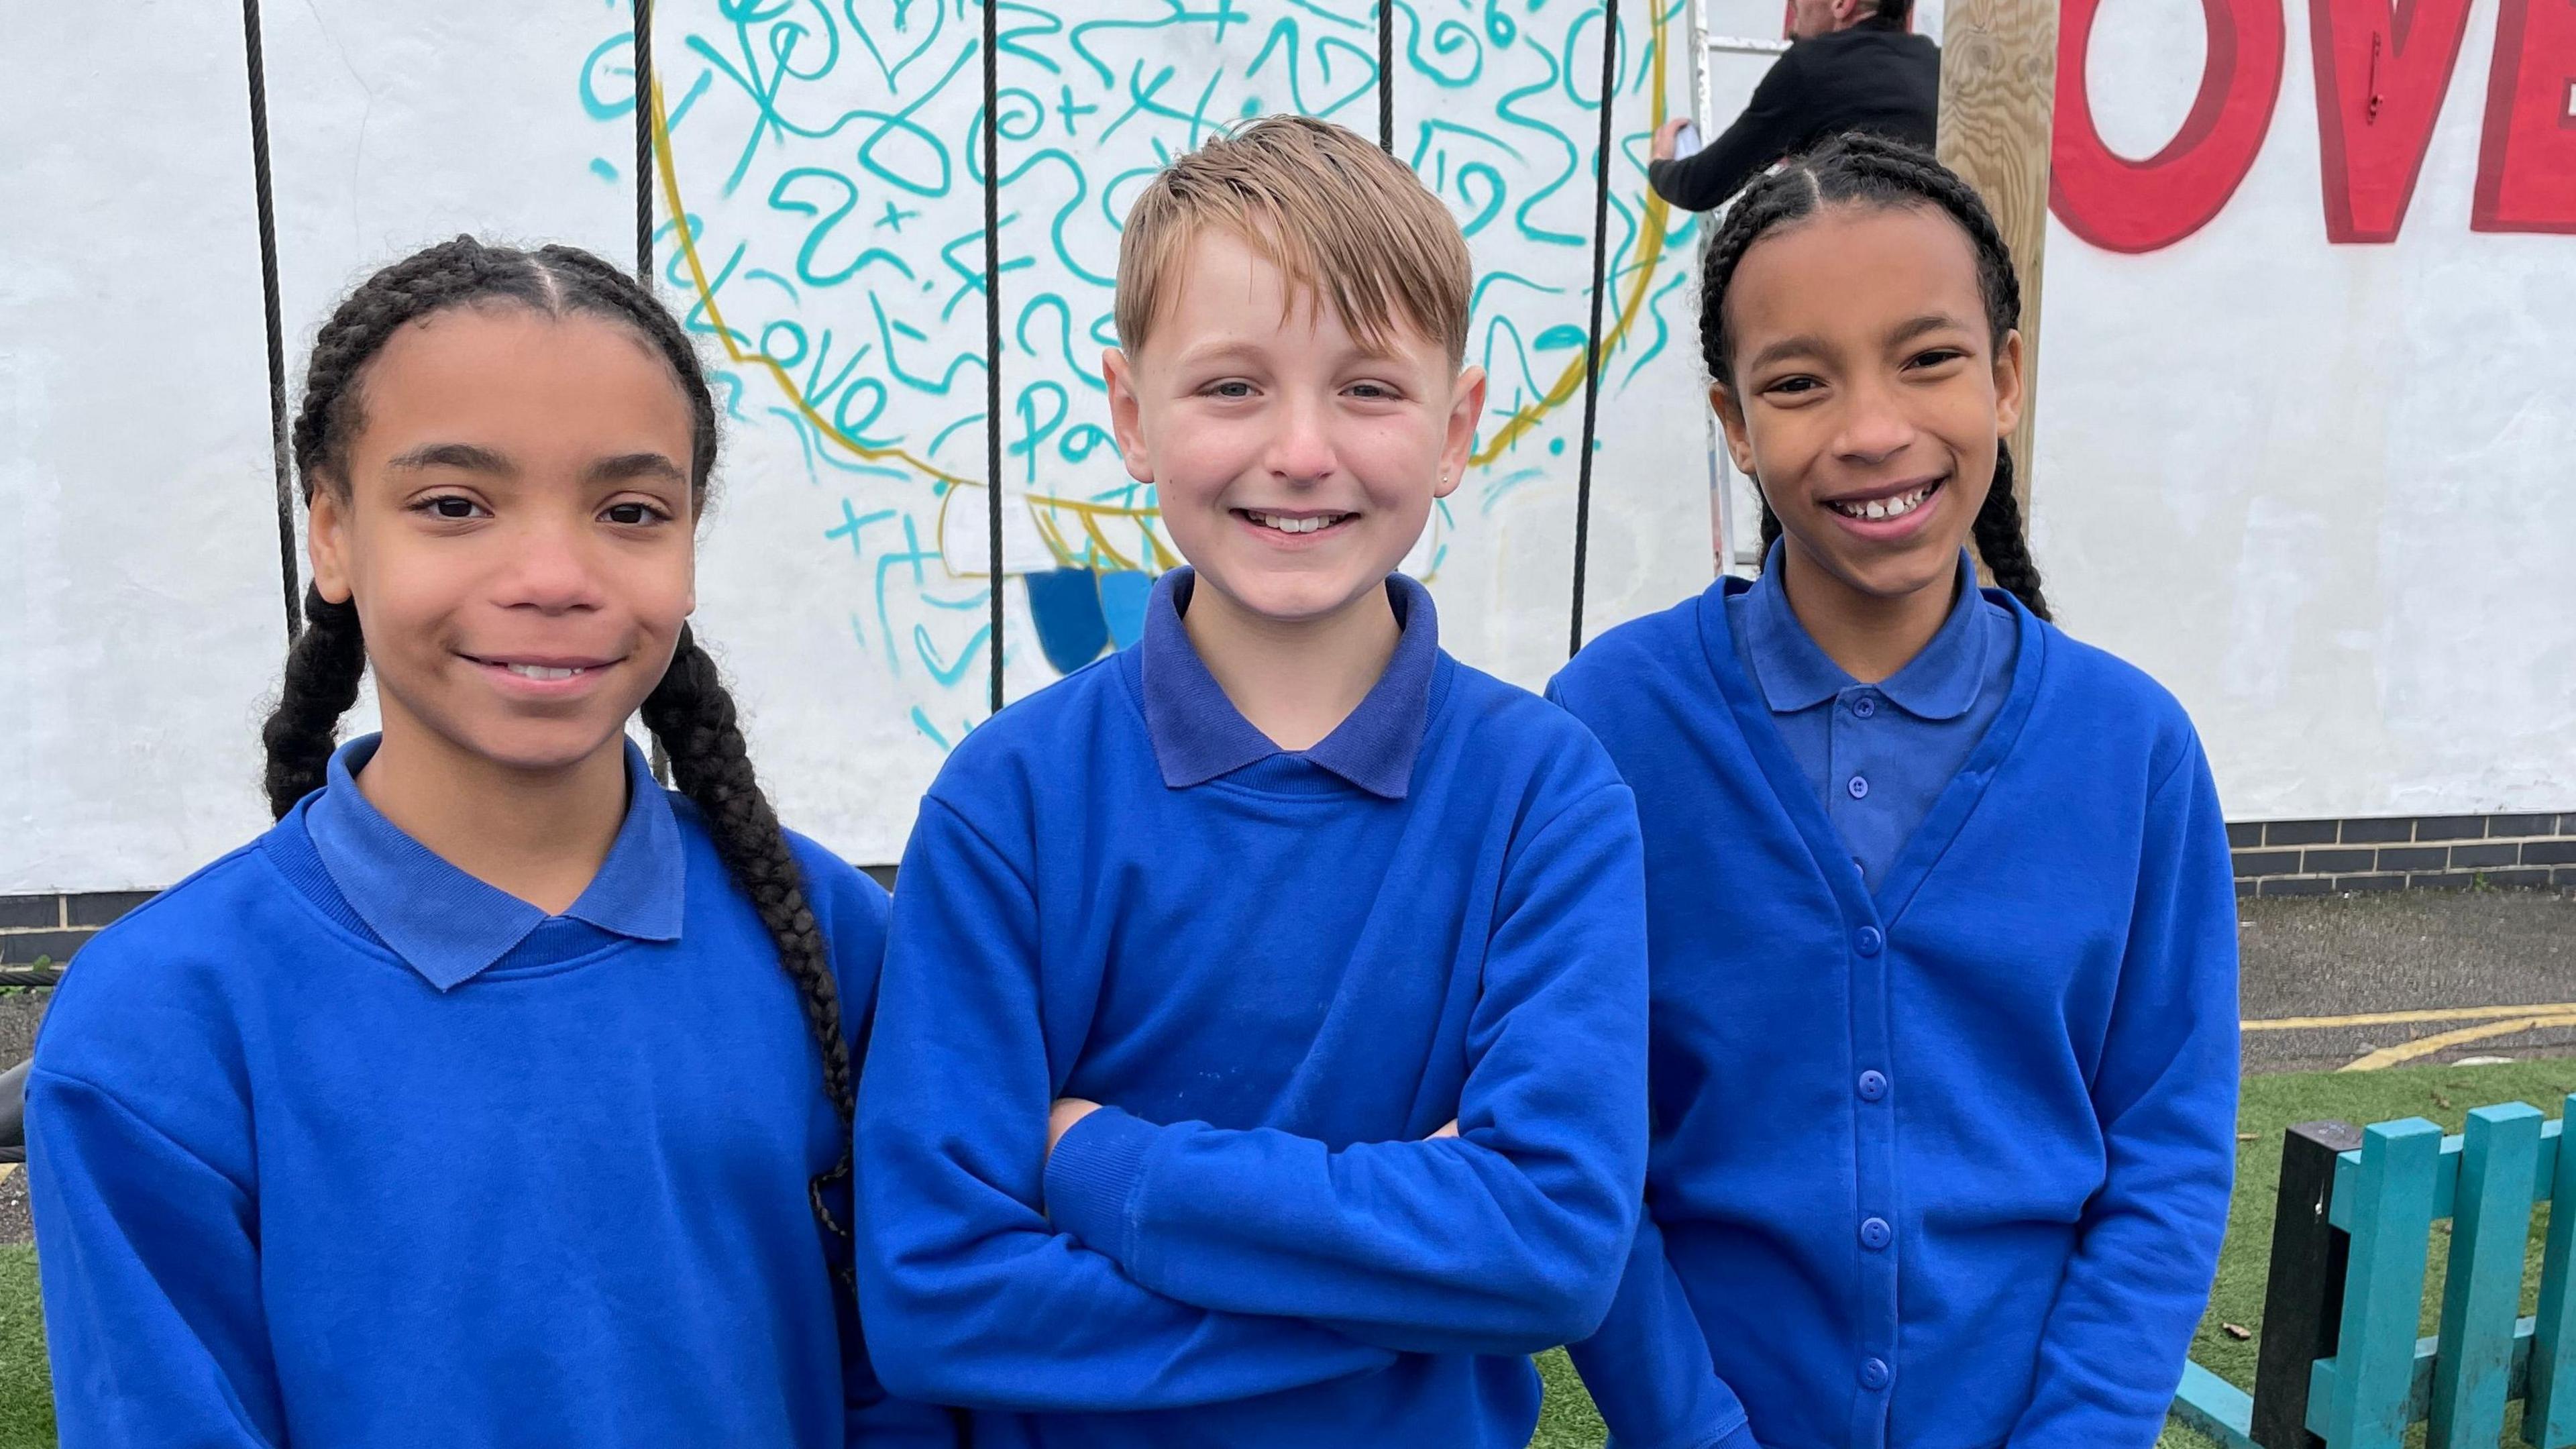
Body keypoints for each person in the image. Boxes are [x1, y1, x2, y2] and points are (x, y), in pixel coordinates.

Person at [26, 238, 949, 1448]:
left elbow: (915, 1382)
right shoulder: (157, 1027)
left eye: (629, 511)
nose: (554, 576)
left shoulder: (838, 945)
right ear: (333, 532)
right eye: (455, 506)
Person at [853, 115, 1650, 1447]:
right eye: (1232, 387)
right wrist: (1413, 1281)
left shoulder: (1548, 800)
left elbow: (1554, 1251)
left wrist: (1097, 1164)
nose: (1298, 448)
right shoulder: (1010, 803)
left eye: (1368, 390)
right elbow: (938, 1298)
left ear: (1456, 428)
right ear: (1131, 415)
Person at [1552, 134, 2239, 1449]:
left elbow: (2166, 1154)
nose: (1875, 430)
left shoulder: (2132, 748)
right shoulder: (1607, 730)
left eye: (1929, 359)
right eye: (1800, 382)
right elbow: (1586, 1154)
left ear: (2008, 379)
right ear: (1736, 425)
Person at [1650, 0, 1938, 213]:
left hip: (1850, 271)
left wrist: (1661, 163)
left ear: (1841, 4)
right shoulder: (1940, 66)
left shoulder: (1811, 67)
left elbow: (1700, 187)